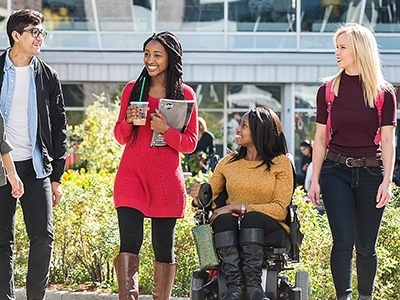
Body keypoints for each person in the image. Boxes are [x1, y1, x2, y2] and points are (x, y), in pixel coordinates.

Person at [308, 23, 397, 300]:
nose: (337, 52)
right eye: (337, 46)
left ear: (359, 49)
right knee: (343, 242)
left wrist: (387, 181)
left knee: (366, 246)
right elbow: (320, 139)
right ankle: (343, 297)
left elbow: (387, 141)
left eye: (342, 47)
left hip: (372, 173)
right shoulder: (327, 91)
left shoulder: (384, 93)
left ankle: (365, 297)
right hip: (335, 172)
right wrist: (314, 180)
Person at [113, 31, 198, 300]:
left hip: (165, 182)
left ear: (170, 58)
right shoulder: (132, 89)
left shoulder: (185, 94)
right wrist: (129, 120)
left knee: (163, 247)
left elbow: (190, 143)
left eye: (157, 55)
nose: (150, 60)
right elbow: (120, 136)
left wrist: (166, 130)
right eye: (147, 54)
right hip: (132, 178)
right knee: (129, 243)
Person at [191, 106, 293, 300]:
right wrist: (198, 197)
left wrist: (238, 207)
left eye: (244, 125)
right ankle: (234, 287)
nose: (238, 129)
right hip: (231, 227)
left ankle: (254, 287)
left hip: (270, 229)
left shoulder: (281, 163)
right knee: (223, 220)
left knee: (252, 218)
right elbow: (207, 199)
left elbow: (280, 209)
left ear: (260, 131)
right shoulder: (228, 163)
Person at [0, 9, 67, 300]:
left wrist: (57, 177)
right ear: (16, 35)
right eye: (34, 32)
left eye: (42, 32)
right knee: (2, 239)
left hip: (36, 167)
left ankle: (35, 297)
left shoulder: (47, 75)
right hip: (2, 167)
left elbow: (59, 127)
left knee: (43, 236)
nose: (40, 37)